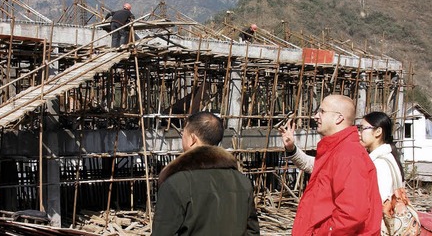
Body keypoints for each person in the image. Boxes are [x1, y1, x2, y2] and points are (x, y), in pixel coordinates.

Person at [278, 95, 382, 235]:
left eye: (322, 111)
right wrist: (292, 149)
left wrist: (321, 233)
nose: (316, 116)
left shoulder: (349, 155)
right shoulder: (336, 151)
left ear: (338, 118)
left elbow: (352, 213)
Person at [152, 111, 260, 235]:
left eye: (183, 134)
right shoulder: (242, 182)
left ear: (192, 139)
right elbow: (252, 232)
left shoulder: (176, 184)